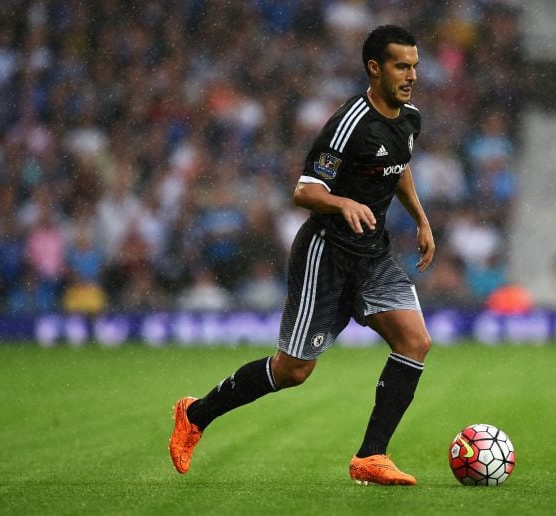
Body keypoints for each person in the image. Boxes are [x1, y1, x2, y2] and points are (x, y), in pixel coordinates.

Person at [169, 25, 435, 486]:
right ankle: (196, 413)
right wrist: (343, 202)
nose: (411, 75)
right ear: (374, 68)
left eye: (414, 65)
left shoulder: (409, 118)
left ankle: (371, 456)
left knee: (415, 341)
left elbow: (398, 166)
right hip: (326, 256)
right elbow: (304, 190)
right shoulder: (349, 123)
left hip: (372, 256)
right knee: (293, 370)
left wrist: (421, 219)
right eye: (401, 66)